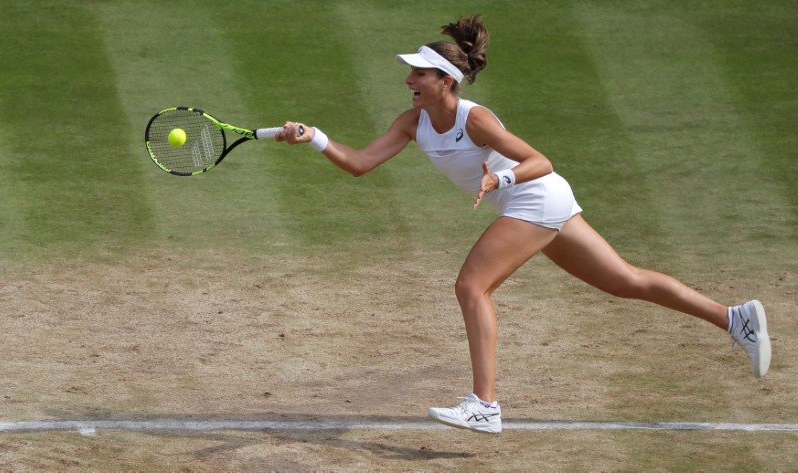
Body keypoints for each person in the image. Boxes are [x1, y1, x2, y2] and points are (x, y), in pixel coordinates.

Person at [275, 14, 771, 434]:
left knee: (471, 285)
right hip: (539, 205)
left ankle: (484, 405)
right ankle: (734, 318)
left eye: (419, 73)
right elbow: (361, 162)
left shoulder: (476, 119)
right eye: (411, 72)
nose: (408, 80)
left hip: (535, 198)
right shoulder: (413, 121)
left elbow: (541, 160)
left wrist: (499, 181)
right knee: (625, 281)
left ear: (446, 80)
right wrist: (315, 137)